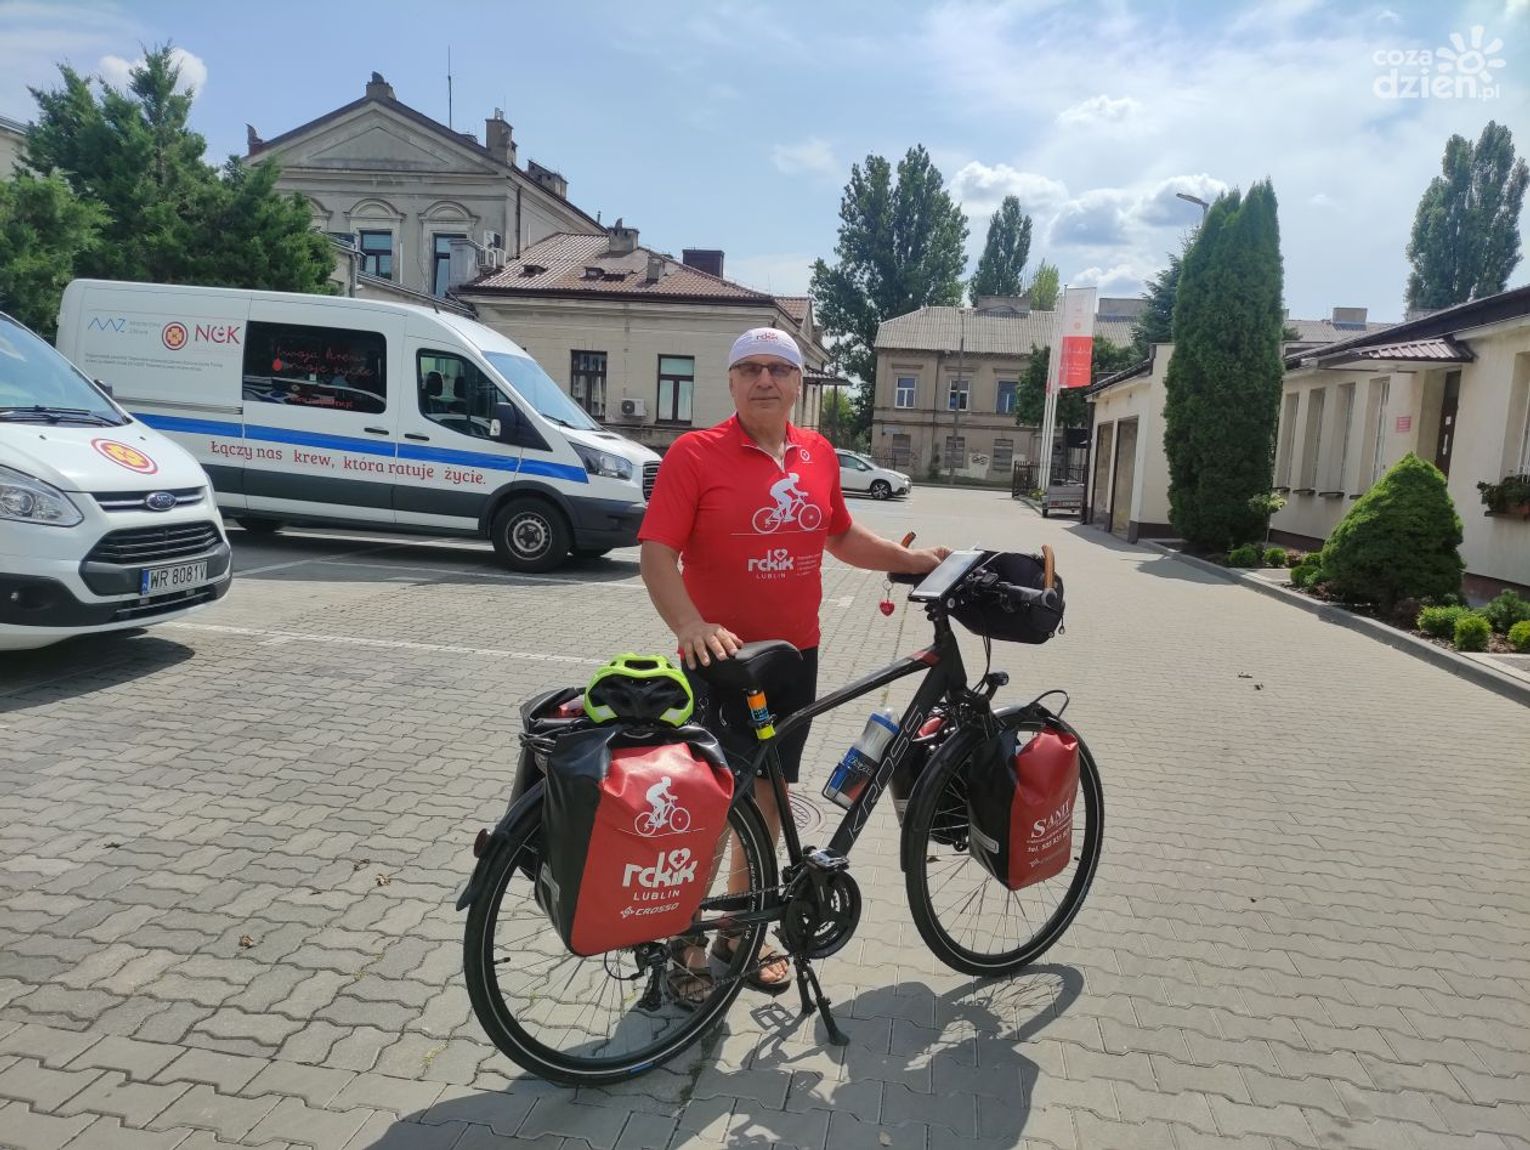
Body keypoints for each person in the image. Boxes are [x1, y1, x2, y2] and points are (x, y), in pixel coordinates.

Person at [638, 325, 948, 1004]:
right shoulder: (694, 454)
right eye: (749, 368)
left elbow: (841, 535)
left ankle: (737, 935)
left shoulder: (818, 453)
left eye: (778, 368)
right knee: (712, 805)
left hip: (794, 657)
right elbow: (657, 552)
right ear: (731, 381)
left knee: (770, 797)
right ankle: (682, 941)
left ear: (798, 383)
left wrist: (912, 560)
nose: (764, 380)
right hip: (721, 661)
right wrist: (690, 624)